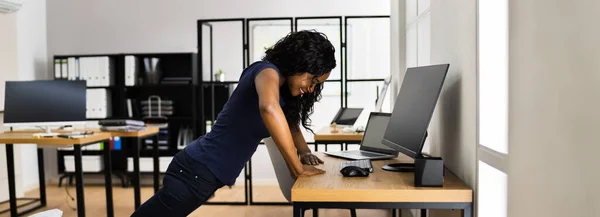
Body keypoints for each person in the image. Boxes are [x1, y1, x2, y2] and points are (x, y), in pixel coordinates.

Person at [131, 30, 336, 217]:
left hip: (203, 174)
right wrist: (297, 169)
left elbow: (290, 123)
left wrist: (305, 151)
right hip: (195, 170)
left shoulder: (282, 92)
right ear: (299, 64)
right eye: (312, 80)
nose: (311, 88)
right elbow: (269, 109)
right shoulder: (266, 72)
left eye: (317, 84)